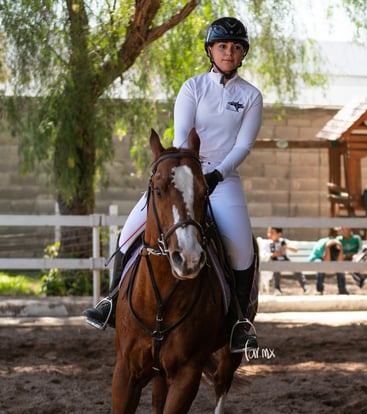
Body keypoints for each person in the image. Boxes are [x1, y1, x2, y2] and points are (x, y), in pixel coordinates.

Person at [84, 17, 263, 353]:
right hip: (183, 173)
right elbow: (182, 137)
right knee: (128, 232)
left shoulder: (251, 96)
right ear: (211, 50)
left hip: (223, 180)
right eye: (223, 46)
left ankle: (240, 321)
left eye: (236, 48)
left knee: (241, 249)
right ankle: (110, 301)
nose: (229, 52)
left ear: (242, 55)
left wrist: (216, 175)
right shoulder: (193, 87)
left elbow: (243, 146)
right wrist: (189, 175)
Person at [260, 227, 310, 295]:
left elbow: (295, 250)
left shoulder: (284, 241)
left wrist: (286, 247)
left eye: (272, 233)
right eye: (268, 232)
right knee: (276, 270)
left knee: (295, 268)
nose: (269, 234)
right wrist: (277, 254)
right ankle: (277, 289)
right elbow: (265, 255)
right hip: (274, 262)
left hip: (285, 261)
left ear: (279, 234)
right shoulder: (268, 244)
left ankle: (305, 286)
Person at [309, 228, 349, 295]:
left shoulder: (337, 242)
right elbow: (326, 261)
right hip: (317, 258)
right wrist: (328, 247)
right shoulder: (330, 242)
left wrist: (341, 247)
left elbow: (339, 261)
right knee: (321, 266)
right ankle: (319, 290)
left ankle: (342, 290)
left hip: (325, 258)